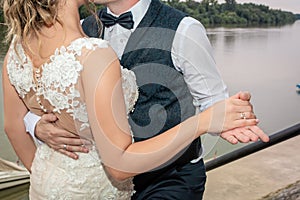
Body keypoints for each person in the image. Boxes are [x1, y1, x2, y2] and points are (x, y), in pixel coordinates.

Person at [17, 0, 269, 199]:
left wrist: (236, 117)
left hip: (171, 179)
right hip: (107, 182)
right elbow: (48, 92)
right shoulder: (80, 30)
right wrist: (36, 125)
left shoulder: (185, 29)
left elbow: (213, 102)